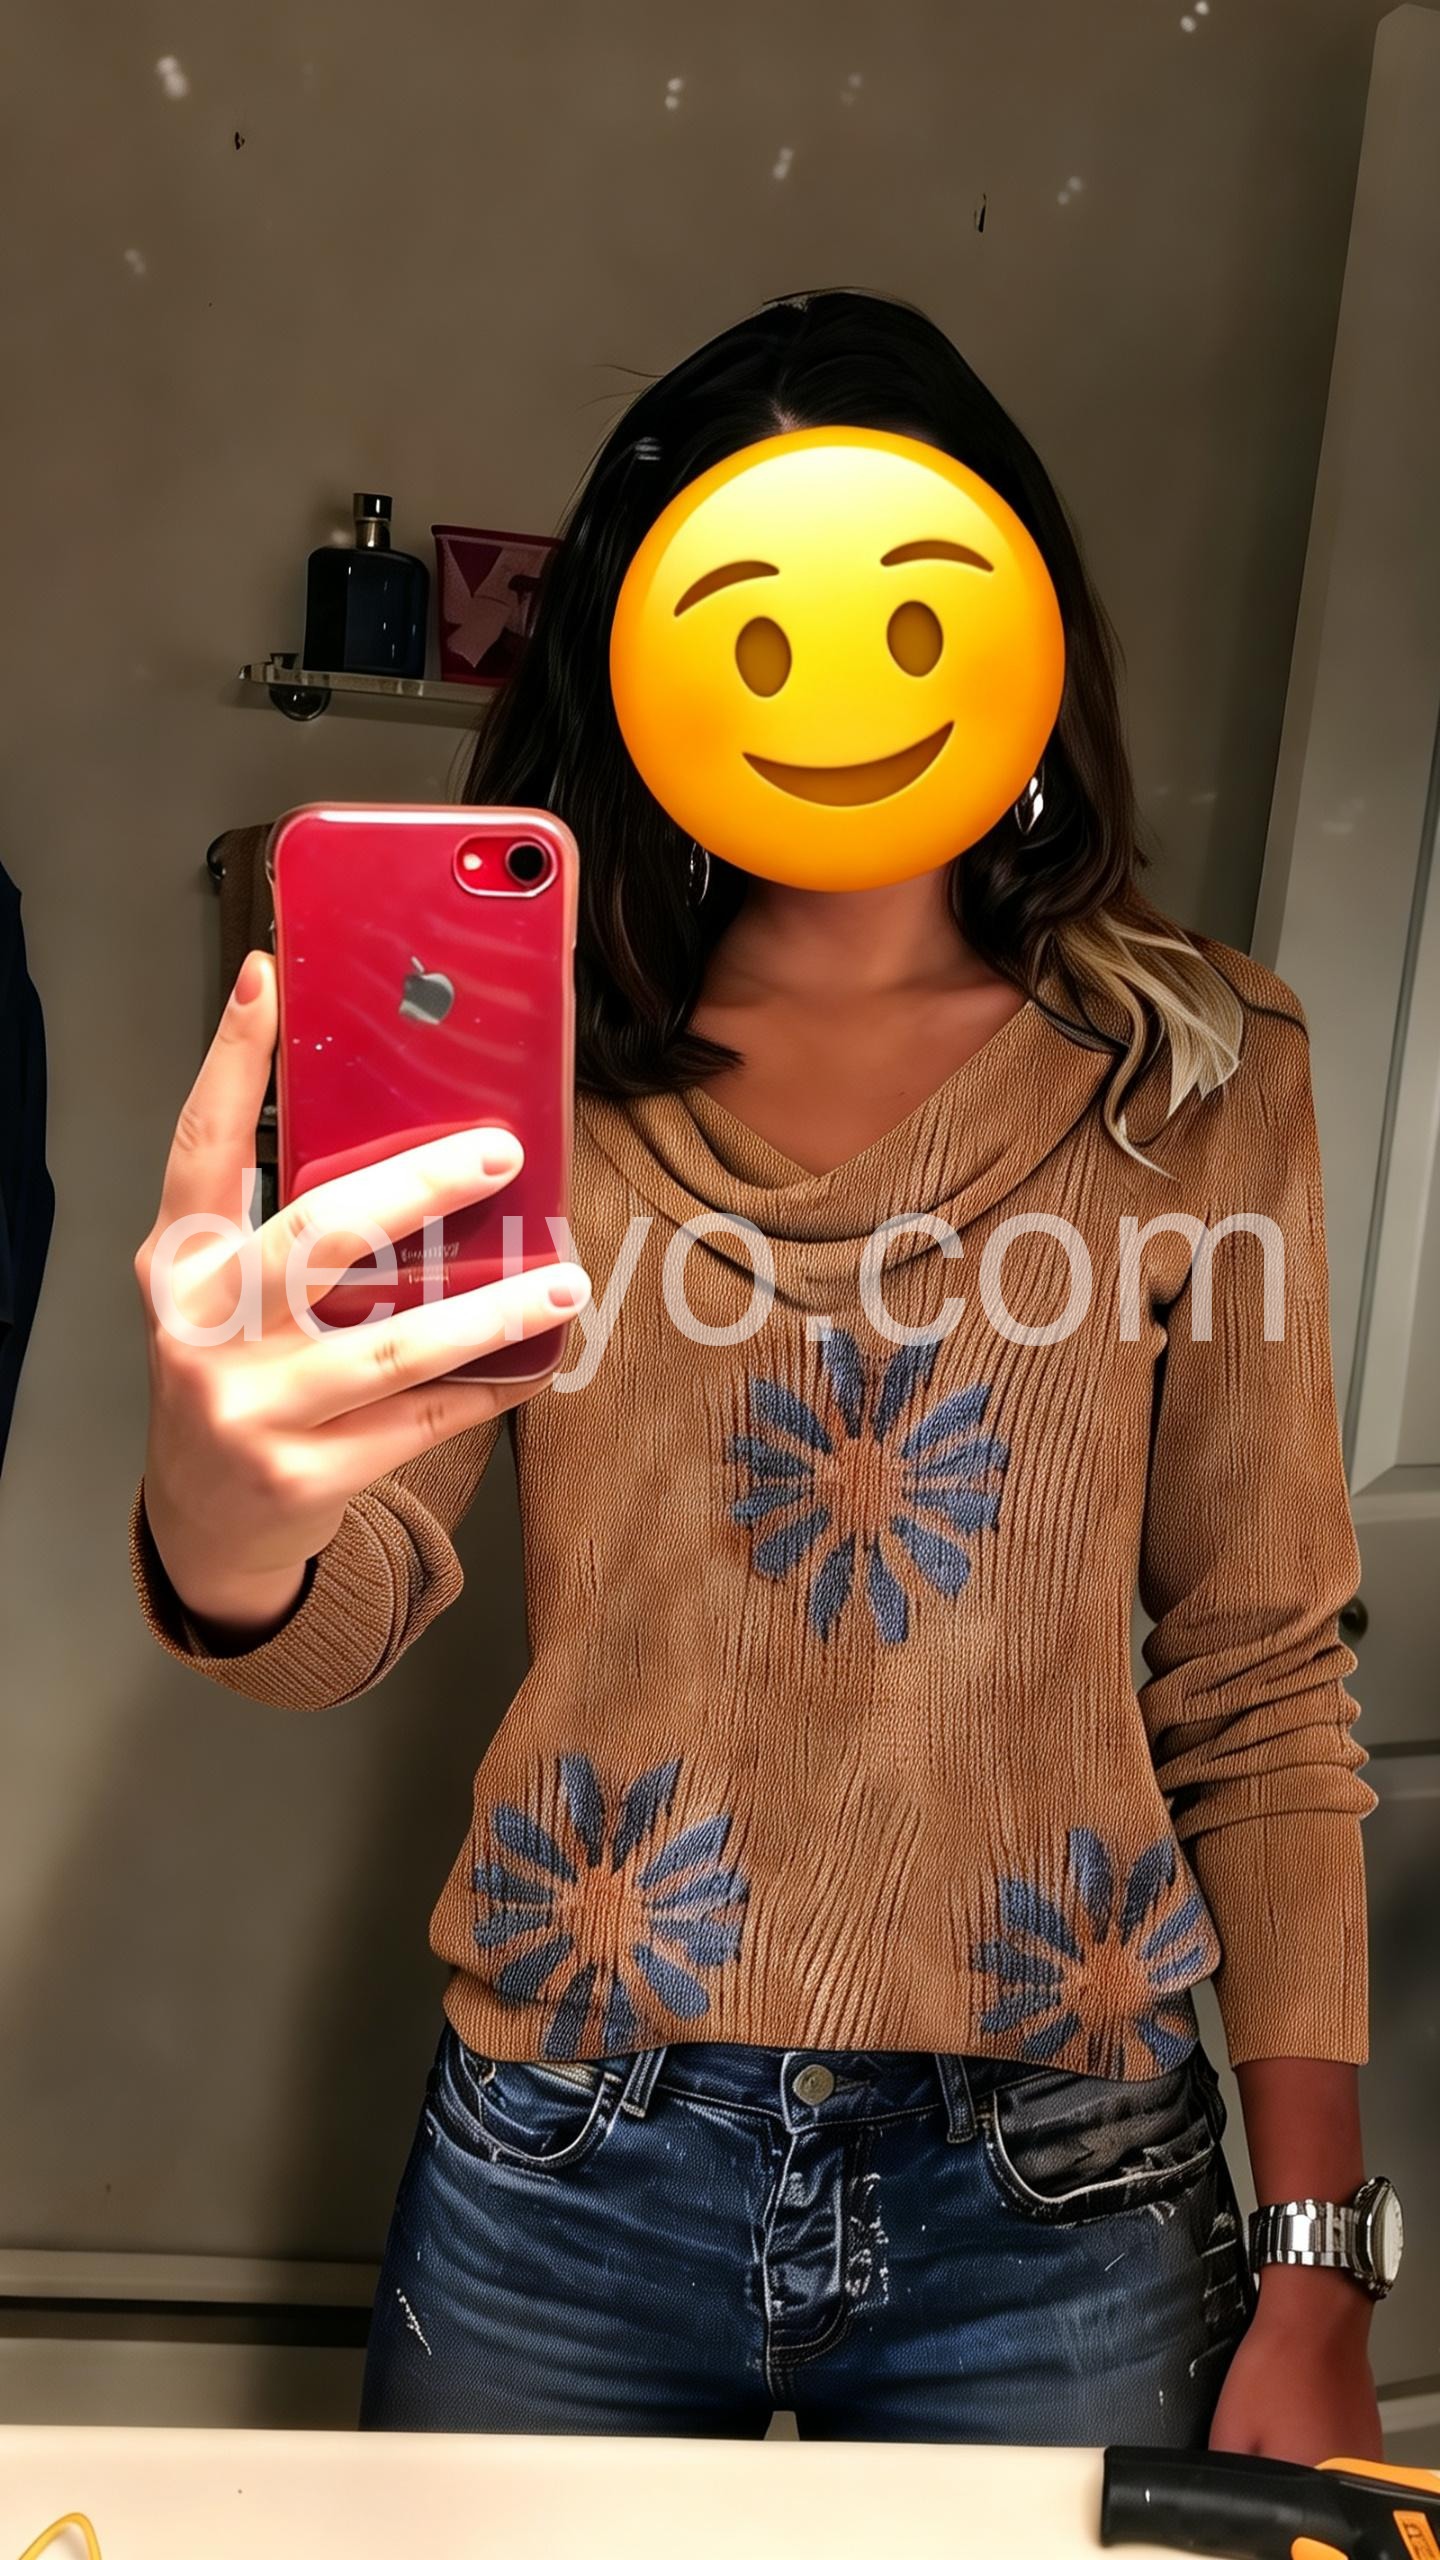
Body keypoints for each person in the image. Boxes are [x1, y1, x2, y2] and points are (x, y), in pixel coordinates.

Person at [130, 290, 1384, 2454]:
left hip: (1064, 2177)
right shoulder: (519, 1061)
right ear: (644, 659)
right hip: (567, 2146)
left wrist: (1321, 2257)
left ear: (1019, 633)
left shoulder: (1197, 1072)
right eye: (759, 633)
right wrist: (220, 1512)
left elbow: (1263, 1675)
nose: (835, 689)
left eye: (905, 621)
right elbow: (342, 1604)